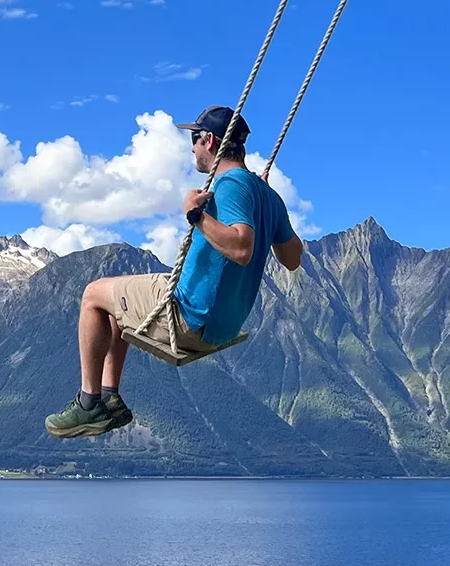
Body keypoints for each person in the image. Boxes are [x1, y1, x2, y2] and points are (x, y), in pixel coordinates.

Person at [45, 105, 303, 438]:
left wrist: (196, 216)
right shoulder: (266, 195)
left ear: (210, 141)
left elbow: (242, 248)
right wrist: (267, 206)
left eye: (195, 139)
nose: (192, 147)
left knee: (93, 294)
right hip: (223, 326)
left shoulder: (231, 185)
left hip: (188, 317)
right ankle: (110, 399)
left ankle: (88, 402)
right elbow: (292, 258)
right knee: (114, 300)